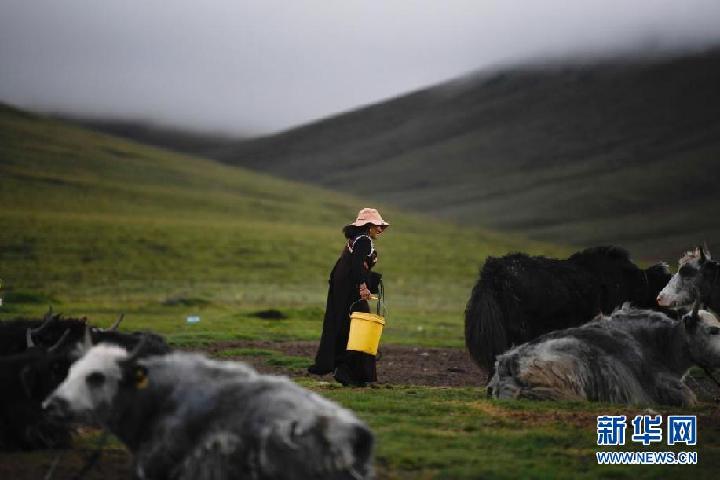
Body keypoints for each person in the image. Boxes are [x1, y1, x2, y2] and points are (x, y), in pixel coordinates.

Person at [308, 208, 389, 387]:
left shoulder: (354, 240)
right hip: (352, 291)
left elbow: (348, 265)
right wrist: (363, 286)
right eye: (377, 225)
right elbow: (357, 265)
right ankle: (350, 372)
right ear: (368, 226)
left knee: (345, 327)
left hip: (343, 291)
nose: (380, 229)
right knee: (360, 329)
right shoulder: (364, 241)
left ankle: (344, 370)